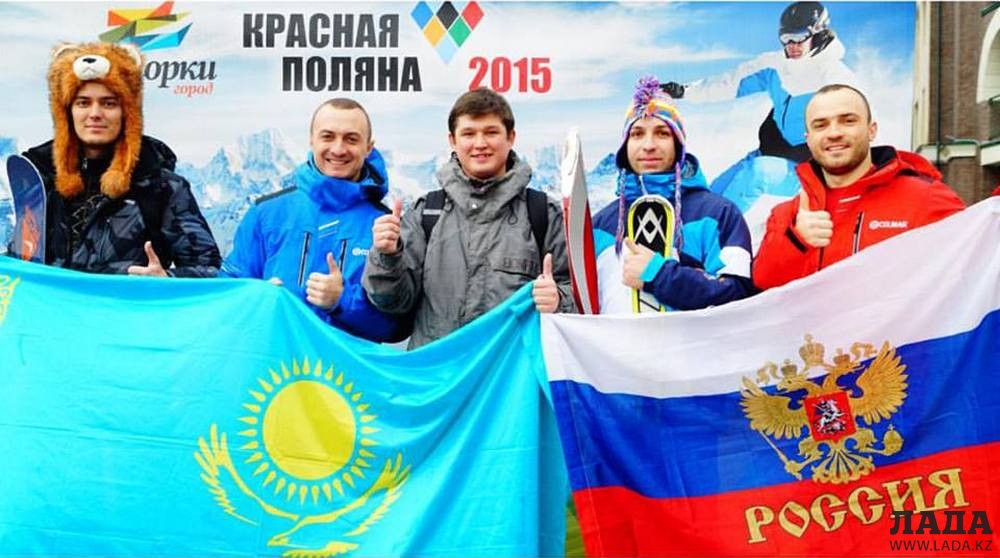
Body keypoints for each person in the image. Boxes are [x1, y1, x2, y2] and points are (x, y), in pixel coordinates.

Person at [362, 87, 574, 349]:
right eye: (469, 133)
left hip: (514, 370)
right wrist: (387, 257)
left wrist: (559, 300)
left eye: (491, 132)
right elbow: (393, 303)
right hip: (440, 370)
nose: (480, 143)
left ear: (511, 137)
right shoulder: (427, 213)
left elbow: (580, 298)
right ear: (453, 140)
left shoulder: (543, 214)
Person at [20, 42, 220, 276]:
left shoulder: (162, 188)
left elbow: (209, 268)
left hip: (131, 301)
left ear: (127, 112)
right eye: (83, 102)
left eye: (109, 103)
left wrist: (167, 278)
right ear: (67, 112)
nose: (95, 114)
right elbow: (22, 259)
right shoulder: (39, 180)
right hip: (52, 301)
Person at [220, 98, 401, 343]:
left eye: (351, 139)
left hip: (343, 367)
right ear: (311, 140)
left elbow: (394, 326)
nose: (338, 149)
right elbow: (229, 294)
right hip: (276, 362)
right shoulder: (266, 212)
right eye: (328, 137)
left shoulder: (385, 226)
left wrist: (343, 300)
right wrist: (257, 297)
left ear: (368, 147)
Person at [753, 84, 966, 290]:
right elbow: (765, 281)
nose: (834, 133)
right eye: (820, 125)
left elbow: (970, 272)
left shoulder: (926, 198)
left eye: (848, 121)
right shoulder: (787, 215)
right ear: (808, 139)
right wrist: (797, 240)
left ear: (872, 130)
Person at [591, 77, 755, 313]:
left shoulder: (717, 215)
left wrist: (661, 276)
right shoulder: (599, 226)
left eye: (662, 133)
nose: (649, 145)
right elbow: (583, 306)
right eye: (637, 134)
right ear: (624, 147)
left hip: (694, 339)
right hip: (617, 339)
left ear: (678, 145)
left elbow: (740, 294)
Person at [661, 1, 856, 163]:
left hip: (809, 164)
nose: (792, 45)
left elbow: (854, 125)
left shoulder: (835, 76)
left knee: (755, 177)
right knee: (720, 190)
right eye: (786, 38)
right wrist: (683, 91)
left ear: (819, 34)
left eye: (799, 37)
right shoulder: (774, 66)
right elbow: (730, 84)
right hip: (770, 152)